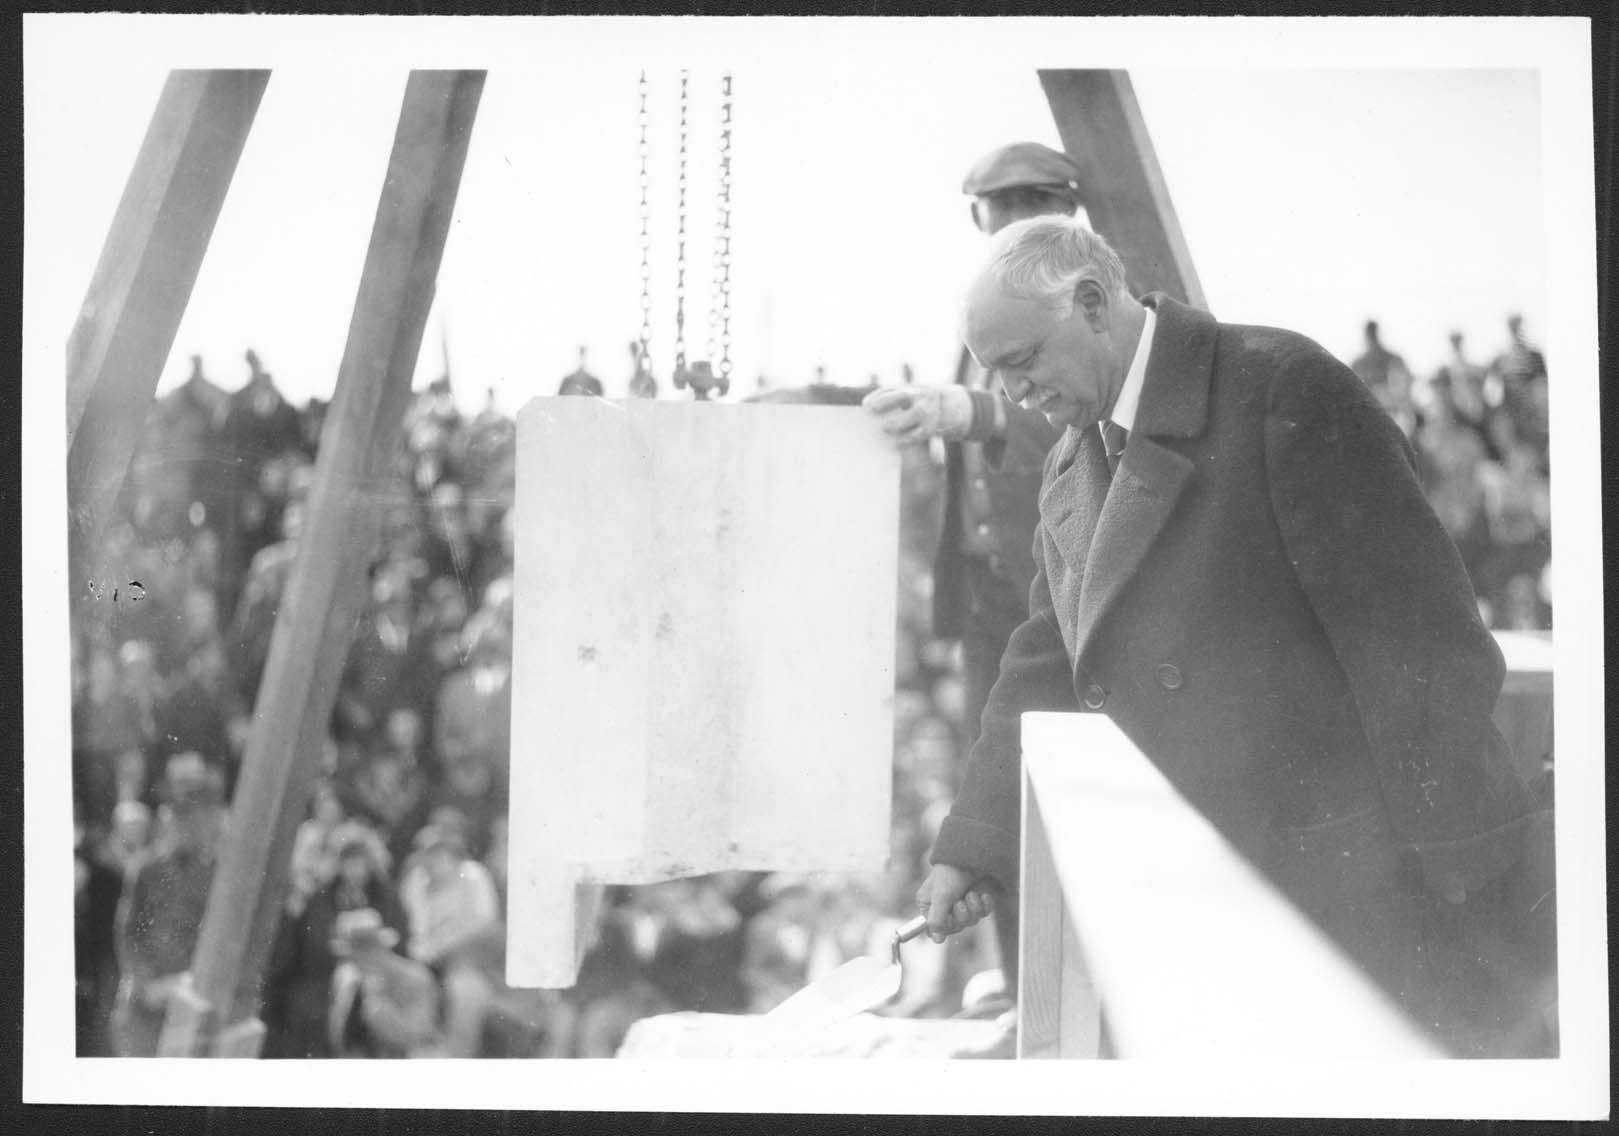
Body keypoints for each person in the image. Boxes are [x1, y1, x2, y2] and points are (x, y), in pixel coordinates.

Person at [917, 216, 1554, 1058]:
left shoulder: (1282, 386)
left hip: (1351, 896)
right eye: (993, 373)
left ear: (1093, 301)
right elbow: (1044, 659)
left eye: (1023, 360)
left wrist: (1462, 879)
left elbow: (1420, 649)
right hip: (1192, 900)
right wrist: (975, 845)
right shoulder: (1070, 462)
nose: (1011, 393)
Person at [861, 142, 1078, 992]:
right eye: (1002, 206)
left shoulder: (1081, 308)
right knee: (993, 797)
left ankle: (1047, 998)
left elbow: (1068, 422)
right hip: (994, 594)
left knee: (1042, 796)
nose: (1017, 220)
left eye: (1035, 203)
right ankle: (1025, 992)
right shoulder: (981, 314)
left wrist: (968, 409)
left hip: (1058, 596)